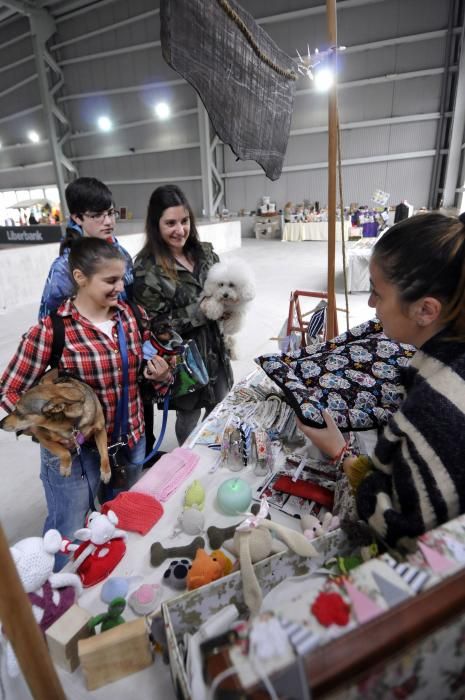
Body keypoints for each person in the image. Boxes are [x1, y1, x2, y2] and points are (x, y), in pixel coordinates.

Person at [297, 212, 465, 549]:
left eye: (378, 293)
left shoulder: (432, 410)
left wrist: (340, 454)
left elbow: (402, 534)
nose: (371, 304)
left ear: (426, 310)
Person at [0, 238, 170, 570]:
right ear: (80, 277)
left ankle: (108, 574)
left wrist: (160, 375)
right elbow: (10, 391)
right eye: (110, 281)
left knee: (119, 516)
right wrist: (48, 431)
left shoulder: (133, 316)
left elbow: (148, 376)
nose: (120, 288)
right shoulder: (52, 331)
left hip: (129, 441)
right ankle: (59, 598)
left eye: (122, 279)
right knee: (67, 530)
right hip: (75, 458)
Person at [133, 184, 233, 446]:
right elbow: (152, 325)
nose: (180, 230)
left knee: (220, 410)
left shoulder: (206, 253)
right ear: (156, 225)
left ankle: (214, 454)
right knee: (189, 418)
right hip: (183, 360)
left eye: (185, 221)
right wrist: (200, 312)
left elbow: (226, 286)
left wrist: (230, 309)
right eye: (170, 223)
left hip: (216, 352)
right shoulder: (146, 269)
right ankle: (189, 459)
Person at [38, 177, 133, 320]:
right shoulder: (64, 267)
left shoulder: (121, 253)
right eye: (97, 215)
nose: (108, 222)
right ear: (77, 218)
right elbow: (48, 322)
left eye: (110, 213)